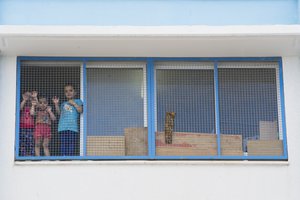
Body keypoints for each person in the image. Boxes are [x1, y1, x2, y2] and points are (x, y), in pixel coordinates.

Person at [53, 85, 83, 156]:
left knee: (71, 143)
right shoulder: (63, 103)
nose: (68, 92)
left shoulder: (78, 101)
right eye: (66, 91)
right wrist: (56, 104)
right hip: (62, 127)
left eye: (70, 90)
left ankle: (70, 157)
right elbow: (59, 113)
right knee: (63, 143)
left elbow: (80, 110)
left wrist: (74, 104)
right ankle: (64, 157)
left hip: (72, 127)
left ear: (75, 92)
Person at [19, 91, 38, 156]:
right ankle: (23, 156)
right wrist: (24, 100)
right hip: (22, 127)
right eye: (26, 95)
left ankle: (30, 155)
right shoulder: (22, 105)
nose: (28, 97)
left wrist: (35, 98)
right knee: (23, 142)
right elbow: (19, 108)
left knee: (30, 142)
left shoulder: (32, 106)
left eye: (29, 96)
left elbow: (32, 113)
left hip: (30, 127)